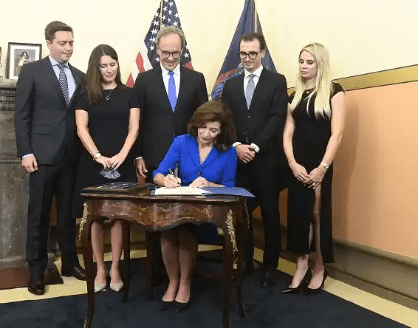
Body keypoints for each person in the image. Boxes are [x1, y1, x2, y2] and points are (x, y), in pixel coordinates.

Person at [130, 25, 208, 282]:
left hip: (188, 158)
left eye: (176, 53)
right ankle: (157, 272)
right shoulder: (144, 80)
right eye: (166, 53)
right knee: (157, 217)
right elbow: (136, 124)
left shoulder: (196, 79)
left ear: (182, 51)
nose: (171, 58)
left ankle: (185, 274)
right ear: (157, 51)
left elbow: (203, 121)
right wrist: (138, 155)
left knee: (186, 218)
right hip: (155, 157)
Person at [14, 21, 86, 296]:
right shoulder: (32, 71)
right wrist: (26, 151)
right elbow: (22, 115)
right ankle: (36, 271)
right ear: (49, 44)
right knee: (39, 216)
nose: (68, 48)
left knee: (68, 214)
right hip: (41, 157)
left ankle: (70, 263)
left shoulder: (80, 76)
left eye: (71, 43)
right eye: (63, 43)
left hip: (71, 157)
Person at [153, 101, 237, 312]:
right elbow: (158, 173)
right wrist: (166, 181)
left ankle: (185, 282)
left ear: (221, 131)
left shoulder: (228, 152)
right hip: (178, 210)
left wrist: (210, 184)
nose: (206, 134)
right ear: (196, 124)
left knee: (185, 227)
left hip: (208, 216)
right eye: (203, 127)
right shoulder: (182, 142)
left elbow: (230, 187)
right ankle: (173, 281)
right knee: (168, 229)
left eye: (213, 130)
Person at [222, 32, 288, 287]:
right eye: (243, 54)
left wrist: (256, 146)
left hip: (267, 159)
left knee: (271, 214)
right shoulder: (230, 84)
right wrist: (237, 146)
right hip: (239, 160)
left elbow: (277, 117)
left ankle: (270, 265)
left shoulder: (276, 81)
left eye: (252, 53)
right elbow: (225, 120)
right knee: (242, 214)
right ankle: (246, 260)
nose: (247, 58)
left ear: (262, 53)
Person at [73, 45, 140, 293]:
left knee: (119, 217)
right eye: (103, 65)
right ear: (95, 67)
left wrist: (123, 155)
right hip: (93, 163)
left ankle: (114, 268)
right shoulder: (84, 95)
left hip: (122, 164)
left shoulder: (130, 94)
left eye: (113, 64)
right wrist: (98, 156)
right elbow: (82, 129)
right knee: (95, 218)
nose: (109, 69)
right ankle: (100, 268)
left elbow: (134, 128)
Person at [282, 43, 345, 295]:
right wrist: (292, 163)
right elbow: (287, 133)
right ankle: (301, 265)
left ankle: (319, 267)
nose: (304, 66)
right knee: (298, 214)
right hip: (298, 165)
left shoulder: (334, 91)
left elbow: (337, 133)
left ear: (320, 64)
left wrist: (323, 167)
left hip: (321, 164)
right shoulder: (294, 96)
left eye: (310, 62)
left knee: (317, 214)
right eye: (301, 62)